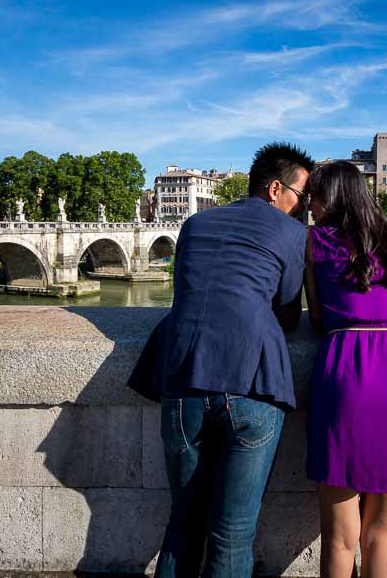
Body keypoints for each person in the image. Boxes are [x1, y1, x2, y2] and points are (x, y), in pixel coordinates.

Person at [128, 142, 315, 577]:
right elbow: (287, 313)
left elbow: (188, 295)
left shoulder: (195, 224)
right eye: (300, 196)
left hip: (181, 378)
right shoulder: (291, 234)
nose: (301, 207)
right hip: (251, 381)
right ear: (275, 189)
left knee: (184, 521)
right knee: (232, 533)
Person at [303, 161, 387, 578]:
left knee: (341, 540)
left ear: (330, 198)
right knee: (381, 534)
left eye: (315, 197)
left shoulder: (315, 241)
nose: (311, 207)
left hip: (346, 373)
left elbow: (320, 318)